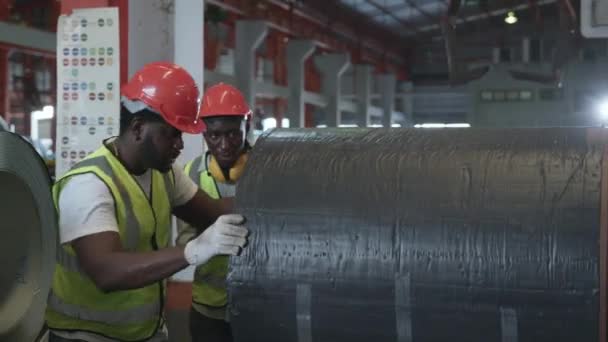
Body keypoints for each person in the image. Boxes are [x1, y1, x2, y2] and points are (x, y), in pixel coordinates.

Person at [45, 62, 248, 342]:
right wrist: (191, 251)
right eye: (171, 133)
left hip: (143, 332)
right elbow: (107, 271)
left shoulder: (163, 174)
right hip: (85, 336)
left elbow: (212, 212)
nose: (180, 145)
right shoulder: (89, 184)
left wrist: (277, 200)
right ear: (138, 128)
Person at [176, 83, 252, 342]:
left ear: (247, 125)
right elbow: (185, 242)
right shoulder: (190, 174)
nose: (224, 144)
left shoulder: (267, 170)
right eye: (214, 136)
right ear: (203, 134)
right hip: (208, 308)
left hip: (257, 304)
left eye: (233, 134)